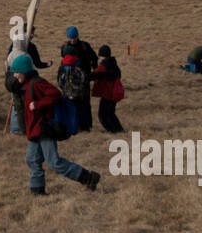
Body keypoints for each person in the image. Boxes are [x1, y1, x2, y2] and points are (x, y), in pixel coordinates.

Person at [8, 54, 101, 195]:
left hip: (43, 129)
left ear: (24, 71)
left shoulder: (37, 83)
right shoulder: (28, 84)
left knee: (54, 162)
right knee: (32, 160)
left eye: (17, 72)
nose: (15, 75)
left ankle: (88, 177)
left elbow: (55, 94)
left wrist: (38, 104)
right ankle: (37, 191)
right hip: (35, 131)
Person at [59, 26, 98, 133]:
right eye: (71, 38)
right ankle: (76, 125)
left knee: (84, 103)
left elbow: (94, 58)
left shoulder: (84, 46)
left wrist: (94, 70)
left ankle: (86, 126)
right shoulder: (66, 47)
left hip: (84, 77)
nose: (73, 40)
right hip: (70, 79)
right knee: (74, 104)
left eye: (74, 38)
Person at [93, 45, 125, 133]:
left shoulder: (104, 66)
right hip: (114, 94)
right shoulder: (114, 63)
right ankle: (120, 130)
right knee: (111, 113)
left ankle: (112, 131)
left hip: (107, 94)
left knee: (102, 115)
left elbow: (95, 75)